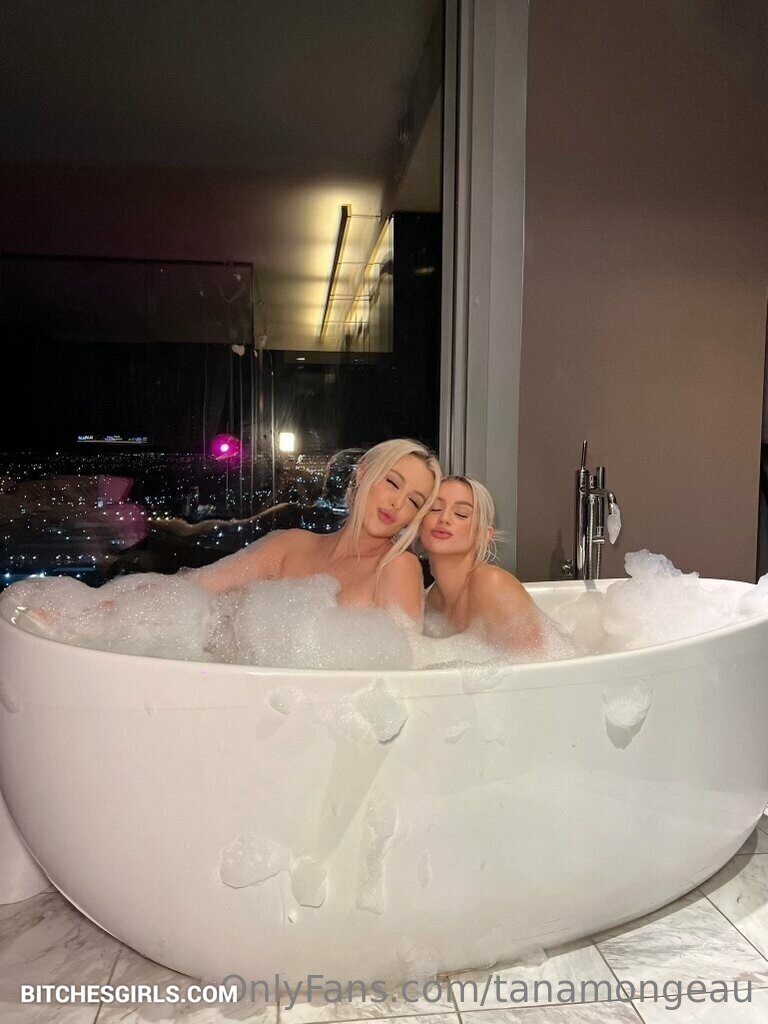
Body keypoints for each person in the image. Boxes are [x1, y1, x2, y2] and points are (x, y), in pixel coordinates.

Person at [192, 438, 441, 624]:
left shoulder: (398, 567)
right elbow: (191, 592)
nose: (398, 503)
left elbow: (401, 665)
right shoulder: (289, 546)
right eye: (393, 483)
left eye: (414, 501)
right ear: (363, 474)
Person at [419, 475, 542, 651]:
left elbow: (537, 661)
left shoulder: (492, 583)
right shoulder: (431, 599)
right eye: (435, 508)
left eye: (461, 513)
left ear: (483, 535)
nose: (444, 518)